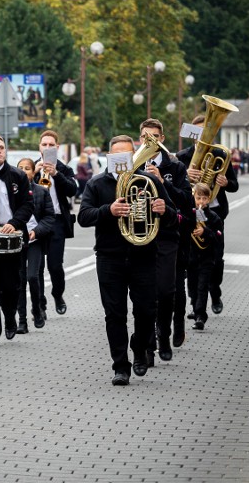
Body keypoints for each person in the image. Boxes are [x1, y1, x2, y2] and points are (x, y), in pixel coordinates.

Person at [78, 135, 178, 385]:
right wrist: (108, 210)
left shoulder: (149, 181)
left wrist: (163, 210)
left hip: (143, 255)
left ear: (134, 155)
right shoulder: (97, 183)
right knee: (114, 313)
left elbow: (173, 215)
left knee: (146, 310)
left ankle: (140, 347)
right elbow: (83, 216)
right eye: (117, 155)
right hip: (110, 257)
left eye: (128, 155)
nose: (123, 160)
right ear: (109, 158)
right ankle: (120, 366)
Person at [137, 119, 193, 367]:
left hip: (168, 235)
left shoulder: (176, 167)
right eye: (146, 137)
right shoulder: (132, 165)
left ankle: (165, 335)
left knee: (166, 290)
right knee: (144, 295)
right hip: (141, 236)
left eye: (155, 137)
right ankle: (147, 345)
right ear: (140, 139)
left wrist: (163, 182)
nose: (150, 141)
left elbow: (186, 203)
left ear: (162, 139)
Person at [176, 114, 238, 317]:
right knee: (192, 261)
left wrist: (225, 183)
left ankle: (215, 292)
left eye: (206, 132)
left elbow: (234, 185)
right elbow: (174, 187)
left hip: (215, 214)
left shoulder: (221, 154)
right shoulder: (183, 157)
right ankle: (196, 304)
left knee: (216, 259)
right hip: (191, 213)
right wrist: (186, 174)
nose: (202, 137)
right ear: (192, 135)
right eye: (198, 133)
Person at [0, 134, 34, 344]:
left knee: (12, 285)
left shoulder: (18, 175)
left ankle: (11, 317)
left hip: (12, 236)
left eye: (1, 147)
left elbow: (27, 205)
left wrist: (14, 222)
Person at [34, 130, 76, 317]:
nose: (48, 147)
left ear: (57, 148)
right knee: (37, 268)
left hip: (57, 221)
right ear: (39, 147)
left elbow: (72, 190)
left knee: (55, 266)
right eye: (45, 144)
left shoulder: (65, 169)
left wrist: (57, 174)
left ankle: (57, 295)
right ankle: (40, 305)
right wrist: (34, 173)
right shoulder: (31, 167)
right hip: (35, 222)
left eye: (52, 145)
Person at [15, 157, 55, 332]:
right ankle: (22, 321)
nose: (24, 171)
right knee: (19, 280)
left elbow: (49, 217)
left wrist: (36, 231)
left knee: (32, 276)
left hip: (35, 240)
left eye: (27, 168)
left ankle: (37, 309)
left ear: (33, 172)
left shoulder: (41, 191)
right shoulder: (11, 191)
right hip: (17, 240)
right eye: (20, 168)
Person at [186, 183, 223, 331]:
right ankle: (195, 309)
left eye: (204, 198)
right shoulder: (190, 214)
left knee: (202, 287)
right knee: (192, 288)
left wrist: (205, 231)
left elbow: (218, 238)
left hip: (207, 258)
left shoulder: (213, 217)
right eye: (198, 198)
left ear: (209, 199)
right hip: (191, 258)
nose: (201, 201)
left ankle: (201, 316)